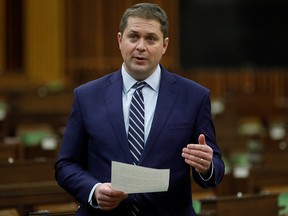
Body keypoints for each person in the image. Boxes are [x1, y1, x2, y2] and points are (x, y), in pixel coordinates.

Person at [55, 2, 225, 216]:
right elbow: (65, 165)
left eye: (151, 38)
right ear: (119, 40)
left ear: (165, 45)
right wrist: (94, 190)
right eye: (133, 36)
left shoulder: (194, 97)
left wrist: (207, 166)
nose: (141, 46)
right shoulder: (87, 96)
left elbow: (215, 170)